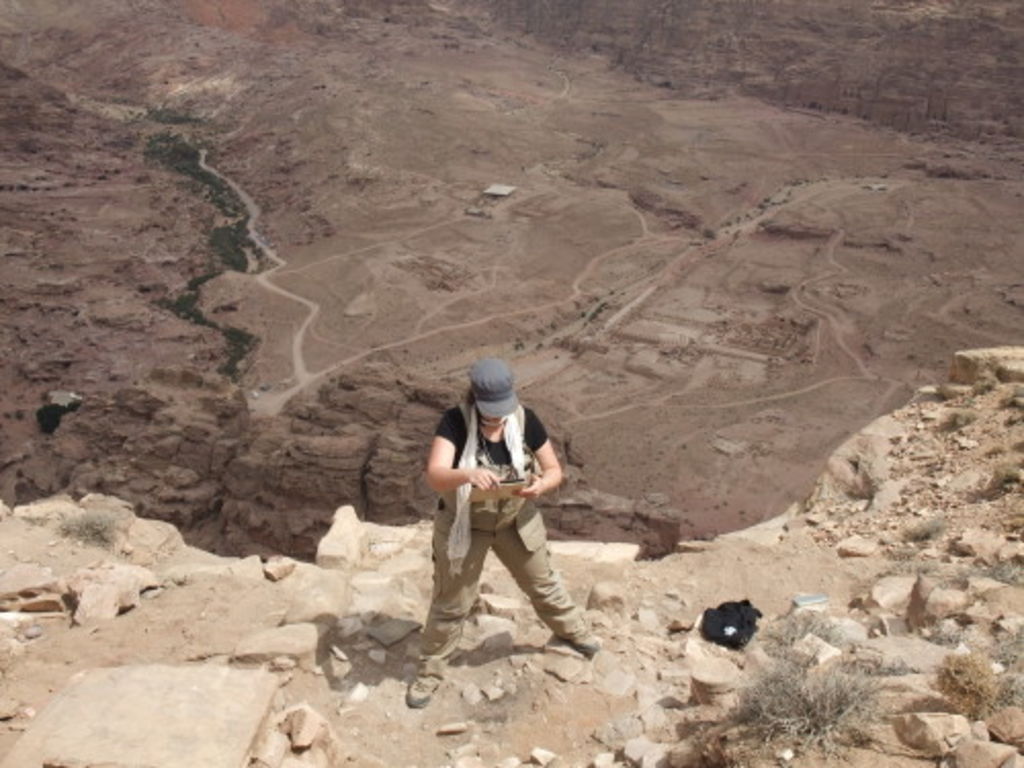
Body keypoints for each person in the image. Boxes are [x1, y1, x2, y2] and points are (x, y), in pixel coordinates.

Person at [406, 358, 599, 709]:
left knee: (543, 583)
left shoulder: (524, 419)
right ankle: (430, 672)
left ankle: (576, 633)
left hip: (516, 521)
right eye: (490, 412)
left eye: (501, 410)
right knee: (452, 602)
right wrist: (467, 475)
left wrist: (541, 485)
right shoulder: (455, 422)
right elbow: (435, 475)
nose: (497, 418)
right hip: (467, 524)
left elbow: (554, 469)